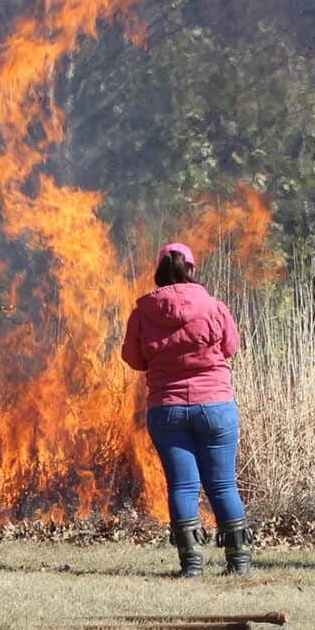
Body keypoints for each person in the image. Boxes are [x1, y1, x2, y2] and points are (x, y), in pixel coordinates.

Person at [121, 242, 252, 577]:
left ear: (159, 272)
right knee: (222, 485)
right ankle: (239, 563)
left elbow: (134, 360)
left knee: (182, 486)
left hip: (167, 409)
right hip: (216, 405)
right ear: (191, 269)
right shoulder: (214, 307)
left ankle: (192, 564)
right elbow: (232, 347)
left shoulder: (142, 313)